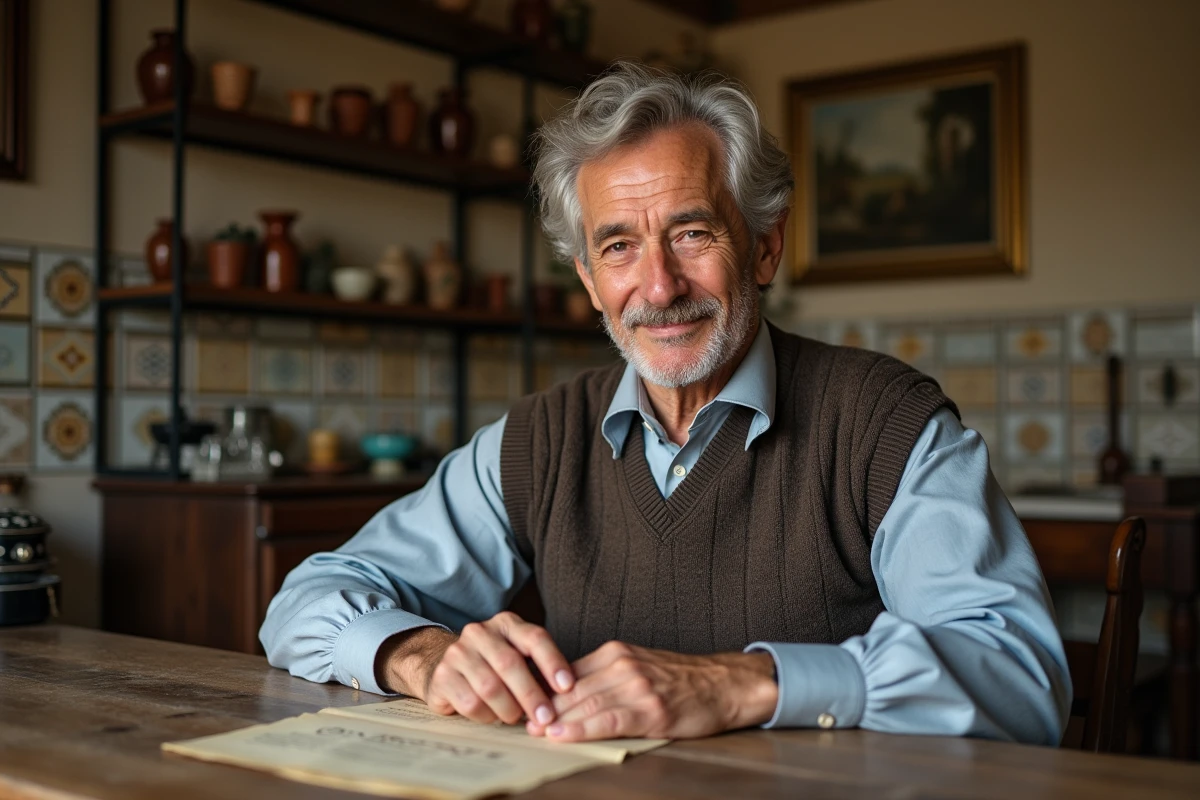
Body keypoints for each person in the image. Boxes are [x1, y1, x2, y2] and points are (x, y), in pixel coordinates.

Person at [261, 63, 1070, 746]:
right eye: (619, 247)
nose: (658, 287)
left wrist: (741, 684)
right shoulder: (539, 441)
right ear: (588, 281)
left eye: (691, 233)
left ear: (764, 245)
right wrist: (420, 654)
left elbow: (1022, 676)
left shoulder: (885, 425)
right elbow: (304, 602)